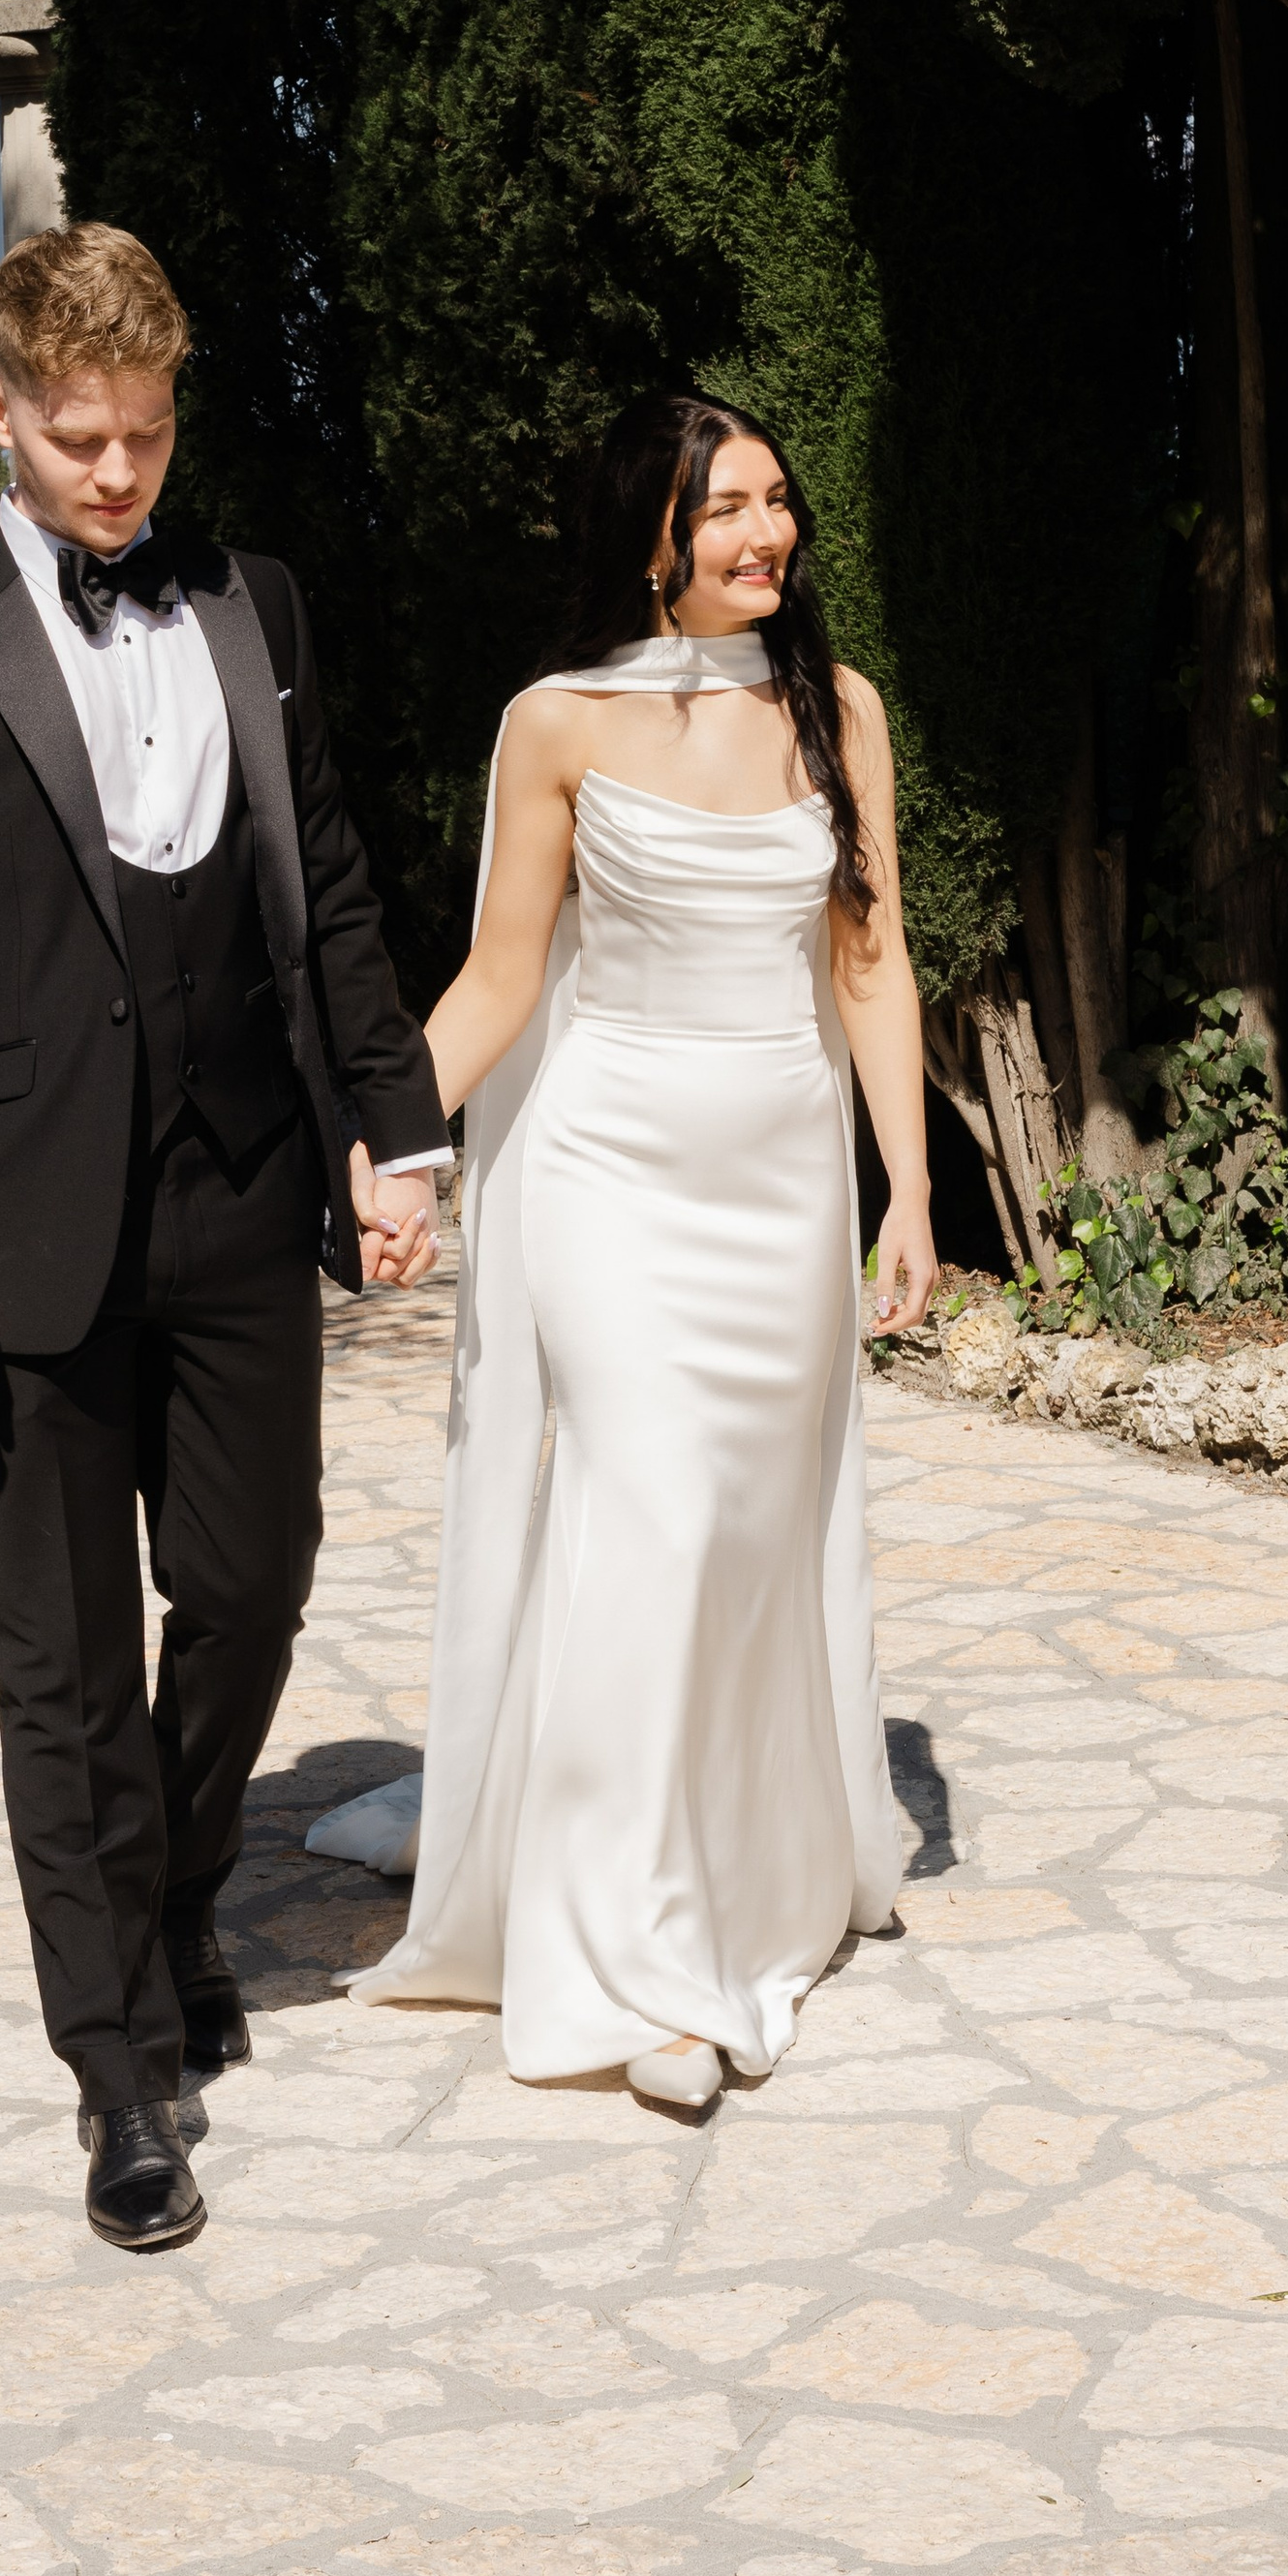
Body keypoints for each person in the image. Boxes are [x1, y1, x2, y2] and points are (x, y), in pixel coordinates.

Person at [0, 222, 446, 2253]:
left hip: (240, 1185)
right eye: (79, 439)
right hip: (17, 1230)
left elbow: (323, 877)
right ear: (4, 413)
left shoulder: (254, 602)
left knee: (252, 1589)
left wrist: (394, 1129)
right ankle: (120, 2073)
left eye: (146, 438)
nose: (114, 476)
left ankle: (168, 1896)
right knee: (63, 1665)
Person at [336, 390, 929, 2107]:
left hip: (783, 1182)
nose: (768, 531)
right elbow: (500, 977)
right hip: (607, 1170)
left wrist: (907, 1188)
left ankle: (731, 1869)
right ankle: (646, 1969)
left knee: (743, 1537)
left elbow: (872, 962)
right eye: (726, 506)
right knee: (652, 1509)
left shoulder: (839, 710)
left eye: (777, 500)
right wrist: (390, 1148)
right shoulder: (557, 723)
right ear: (650, 537)